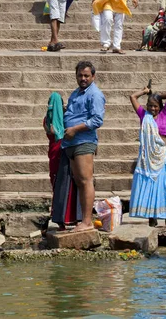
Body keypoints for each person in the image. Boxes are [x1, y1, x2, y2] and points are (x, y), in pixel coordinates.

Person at [60, 61, 105, 232]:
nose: (83, 78)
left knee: (86, 180)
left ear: (93, 76)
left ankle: (87, 222)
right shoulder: (76, 93)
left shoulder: (95, 94)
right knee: (79, 181)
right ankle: (83, 219)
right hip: (70, 142)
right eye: (80, 75)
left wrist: (75, 129)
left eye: (86, 75)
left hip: (83, 141)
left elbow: (97, 120)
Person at [129, 86, 166, 227]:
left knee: (165, 186)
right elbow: (133, 97)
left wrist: (158, 95)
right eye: (150, 106)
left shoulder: (165, 113)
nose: (152, 109)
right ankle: (152, 218)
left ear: (160, 106)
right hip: (147, 158)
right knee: (149, 186)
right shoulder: (144, 115)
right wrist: (145, 92)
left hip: (162, 156)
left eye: (155, 106)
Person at [44, 93, 82, 229]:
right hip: (56, 155)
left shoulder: (67, 117)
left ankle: (73, 218)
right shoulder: (49, 119)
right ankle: (61, 219)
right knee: (59, 185)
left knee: (71, 184)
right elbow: (52, 132)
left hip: (66, 153)